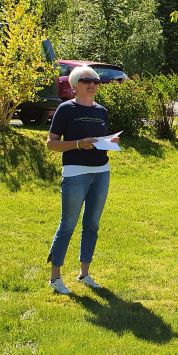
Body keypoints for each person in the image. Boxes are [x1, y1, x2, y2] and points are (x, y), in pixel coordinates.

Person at [45, 66, 119, 294]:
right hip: (75, 173)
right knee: (67, 224)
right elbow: (51, 143)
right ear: (75, 85)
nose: (93, 84)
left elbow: (101, 138)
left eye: (96, 82)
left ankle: (84, 274)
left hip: (101, 172)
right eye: (87, 80)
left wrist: (110, 142)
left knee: (92, 224)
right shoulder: (65, 109)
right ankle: (55, 278)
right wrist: (78, 144)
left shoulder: (102, 111)